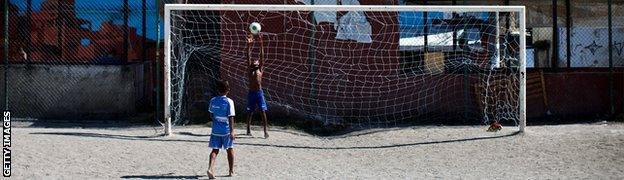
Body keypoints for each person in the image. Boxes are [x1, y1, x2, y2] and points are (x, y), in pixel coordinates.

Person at [207, 80, 236, 179]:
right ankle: (231, 171)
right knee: (230, 149)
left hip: (215, 130)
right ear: (228, 90)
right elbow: (231, 116)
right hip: (226, 130)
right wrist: (232, 131)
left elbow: (211, 114)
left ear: (218, 90)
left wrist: (216, 120)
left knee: (214, 150)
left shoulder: (213, 100)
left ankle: (210, 168)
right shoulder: (229, 101)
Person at [245, 33, 270, 138]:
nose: (256, 60)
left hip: (259, 93)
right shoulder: (250, 70)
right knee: (250, 112)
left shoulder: (260, 69)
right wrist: (249, 46)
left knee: (263, 111)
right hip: (251, 93)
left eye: (257, 60)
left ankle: (265, 131)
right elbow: (248, 56)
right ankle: (248, 130)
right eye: (254, 60)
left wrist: (261, 44)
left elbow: (262, 57)